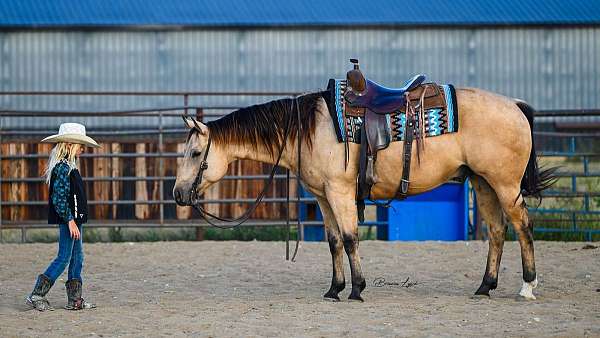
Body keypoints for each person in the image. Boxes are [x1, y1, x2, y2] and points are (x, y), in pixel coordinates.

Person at [26, 123, 99, 311]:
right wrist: (70, 220)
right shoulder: (62, 168)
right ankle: (37, 294)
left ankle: (75, 299)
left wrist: (75, 220)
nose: (82, 148)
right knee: (64, 257)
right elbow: (59, 198)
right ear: (69, 145)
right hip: (70, 221)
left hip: (75, 220)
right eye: (79, 144)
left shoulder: (69, 166)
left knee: (77, 258)